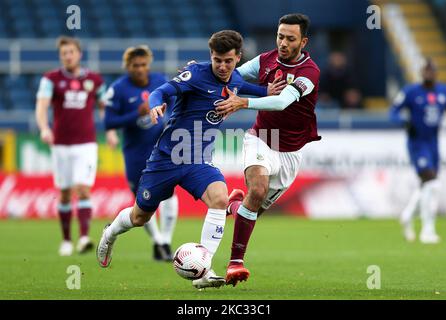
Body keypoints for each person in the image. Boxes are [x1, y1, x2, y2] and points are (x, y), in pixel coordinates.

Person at [96, 30, 284, 289]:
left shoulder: (237, 80)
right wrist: (156, 104)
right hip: (167, 158)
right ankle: (110, 233)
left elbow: (258, 92)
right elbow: (162, 90)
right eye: (217, 59)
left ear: (238, 58)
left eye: (228, 61)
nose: (222, 66)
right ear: (211, 56)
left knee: (219, 198)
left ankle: (204, 271)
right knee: (140, 217)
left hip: (198, 160)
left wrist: (270, 90)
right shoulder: (195, 74)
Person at [213, 13, 321, 286]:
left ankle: (235, 204)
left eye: (290, 38)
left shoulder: (310, 73)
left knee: (251, 208)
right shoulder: (265, 60)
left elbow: (283, 101)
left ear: (303, 41)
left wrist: (243, 103)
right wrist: (205, 70)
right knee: (258, 190)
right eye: (280, 36)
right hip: (261, 137)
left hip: (290, 153)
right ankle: (235, 263)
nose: (283, 43)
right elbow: (231, 74)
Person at [102, 45, 179, 261]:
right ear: (128, 66)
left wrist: (168, 119)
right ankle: (157, 241)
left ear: (148, 65)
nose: (140, 69)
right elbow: (109, 121)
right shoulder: (118, 89)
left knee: (170, 193)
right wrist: (136, 114)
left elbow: (174, 101)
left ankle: (165, 240)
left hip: (162, 148)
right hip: (135, 151)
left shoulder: (160, 80)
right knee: (142, 199)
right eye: (135, 66)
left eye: (143, 65)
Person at [35, 36, 106, 256]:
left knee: (83, 189)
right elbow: (42, 106)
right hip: (61, 145)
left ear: (79, 54)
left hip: (86, 144)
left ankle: (84, 237)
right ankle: (66, 239)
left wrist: (111, 130)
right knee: (65, 193)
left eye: (71, 52)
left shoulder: (94, 80)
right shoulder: (51, 79)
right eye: (64, 53)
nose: (68, 56)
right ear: (60, 56)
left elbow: (105, 107)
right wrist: (44, 128)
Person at [390, 58, 446, 244]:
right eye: (425, 70)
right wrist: (404, 123)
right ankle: (427, 230)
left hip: (433, 143)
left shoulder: (443, 91)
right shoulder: (411, 91)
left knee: (428, 185)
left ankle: (407, 216)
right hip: (417, 143)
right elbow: (393, 111)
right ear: (421, 72)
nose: (428, 73)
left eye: (431, 70)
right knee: (431, 181)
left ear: (436, 72)